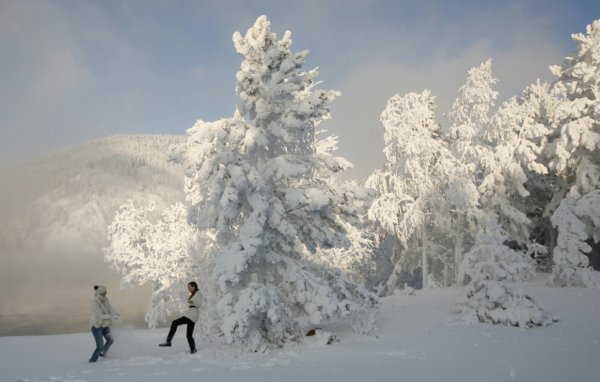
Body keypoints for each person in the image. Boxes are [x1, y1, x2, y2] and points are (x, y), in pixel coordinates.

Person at [159, 281, 201, 354]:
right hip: (192, 315)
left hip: (192, 315)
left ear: (194, 286)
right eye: (188, 288)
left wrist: (192, 302)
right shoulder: (194, 294)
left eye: (189, 287)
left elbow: (200, 303)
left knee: (175, 322)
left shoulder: (198, 293)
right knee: (189, 335)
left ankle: (168, 341)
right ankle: (193, 350)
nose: (188, 289)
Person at [89, 285, 120, 363]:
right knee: (99, 347)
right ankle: (92, 361)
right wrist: (111, 316)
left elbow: (110, 308)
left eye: (106, 291)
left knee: (110, 340)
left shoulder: (105, 299)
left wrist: (116, 313)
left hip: (105, 325)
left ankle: (103, 353)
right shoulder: (94, 302)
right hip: (96, 326)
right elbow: (100, 315)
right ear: (100, 293)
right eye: (104, 292)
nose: (106, 293)